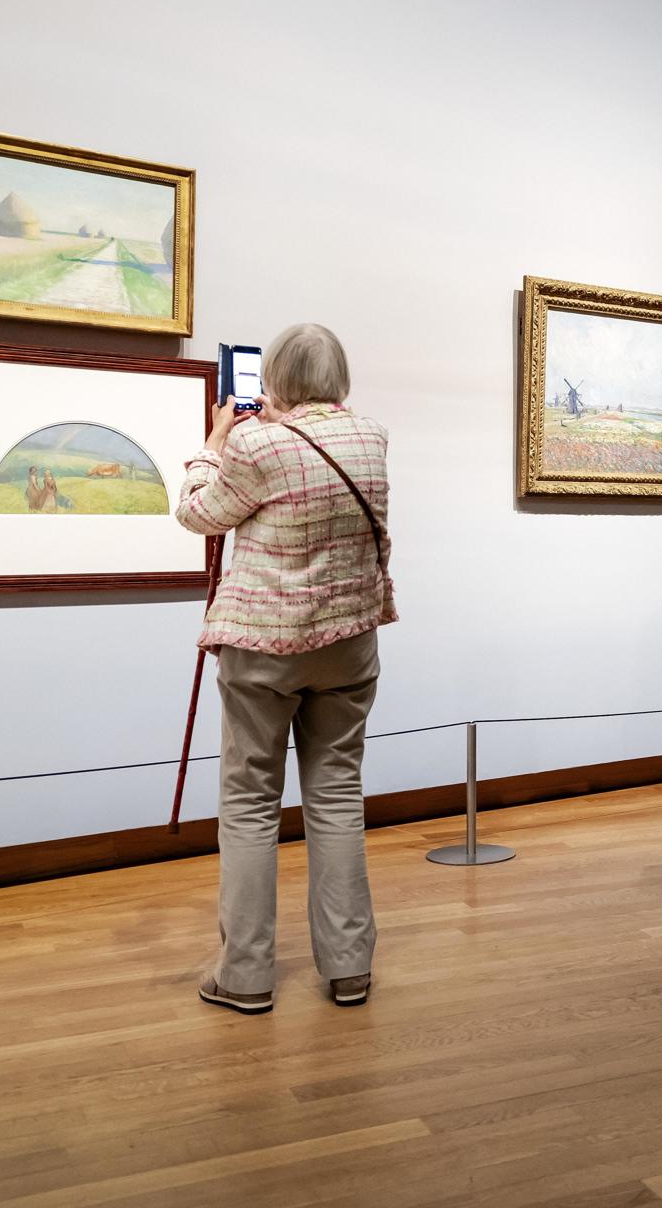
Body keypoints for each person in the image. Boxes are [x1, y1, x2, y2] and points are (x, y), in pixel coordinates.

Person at [175, 323, 396, 1014]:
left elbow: (198, 516)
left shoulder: (252, 443)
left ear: (272, 378)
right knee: (336, 797)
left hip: (265, 649)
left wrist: (210, 448)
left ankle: (244, 974)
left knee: (248, 805)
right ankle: (350, 968)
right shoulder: (372, 435)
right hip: (349, 643)